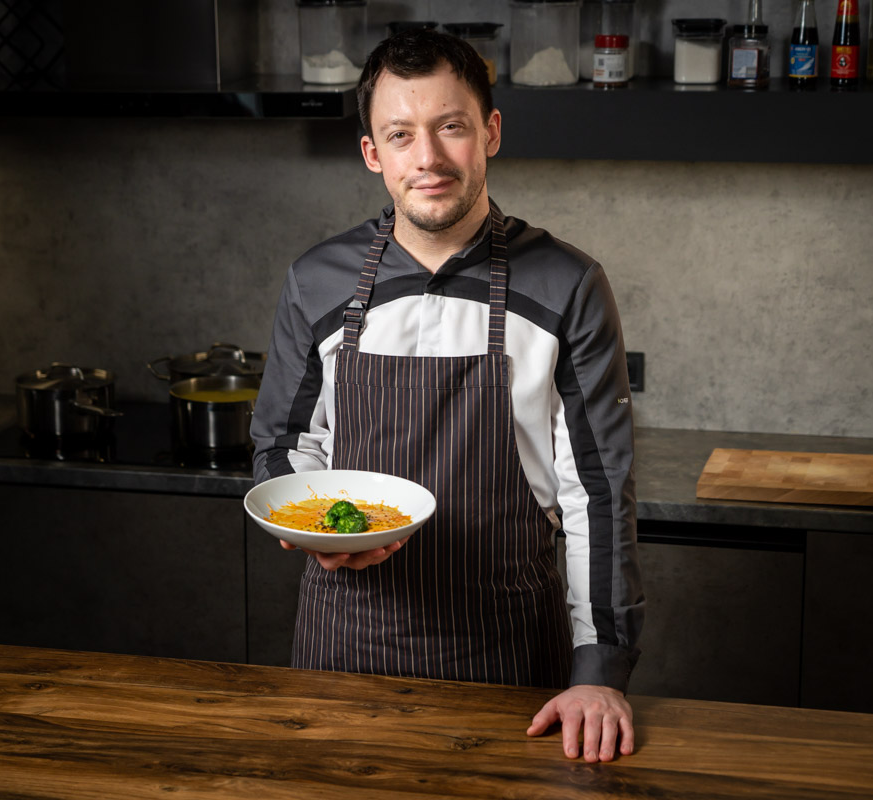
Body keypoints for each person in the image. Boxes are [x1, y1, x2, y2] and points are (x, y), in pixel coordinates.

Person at [250, 29, 644, 764]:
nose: (427, 158)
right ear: (373, 153)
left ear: (490, 133)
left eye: (450, 127)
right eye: (400, 135)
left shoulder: (568, 285)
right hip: (341, 648)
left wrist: (600, 672)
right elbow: (283, 447)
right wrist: (317, 530)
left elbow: (599, 492)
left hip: (507, 656)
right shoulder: (317, 282)